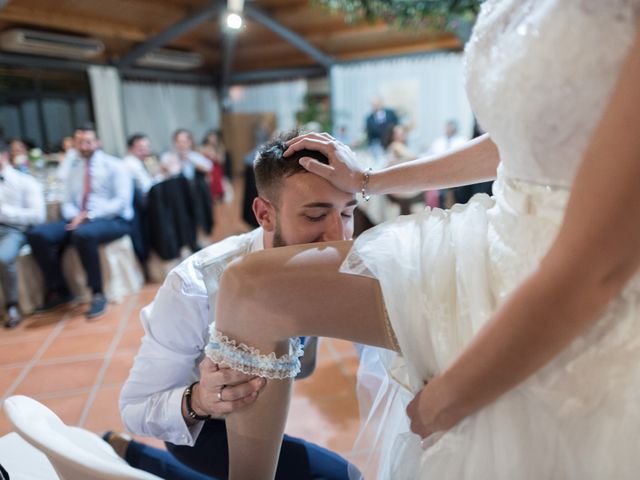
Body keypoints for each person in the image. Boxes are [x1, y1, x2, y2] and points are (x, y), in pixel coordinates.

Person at [199, 2, 640, 479]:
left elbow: (596, 268)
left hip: (576, 257)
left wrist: (445, 403)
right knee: (249, 289)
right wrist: (369, 179)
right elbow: (517, 138)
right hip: (493, 229)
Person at [119, 130, 359, 480]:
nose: (338, 239)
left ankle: (132, 453)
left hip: (266, 405)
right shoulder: (195, 285)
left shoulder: (334, 259)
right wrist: (200, 400)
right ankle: (138, 453)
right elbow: (134, 408)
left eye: (348, 213)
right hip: (201, 426)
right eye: (314, 216)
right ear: (265, 214)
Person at [27, 124, 133, 320]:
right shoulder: (73, 167)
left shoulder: (115, 165)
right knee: (37, 234)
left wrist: (88, 215)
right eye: (79, 142)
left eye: (88, 141)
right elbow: (66, 199)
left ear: (97, 142)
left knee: (83, 234)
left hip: (112, 219)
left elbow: (121, 202)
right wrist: (75, 216)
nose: (83, 146)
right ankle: (59, 290)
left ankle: (97, 293)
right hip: (78, 219)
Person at [0, 141, 46, 328]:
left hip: (14, 230)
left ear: (3, 156)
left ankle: (12, 306)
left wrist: (5, 213)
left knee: (3, 258)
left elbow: (38, 216)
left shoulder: (24, 180)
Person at [199, 130, 226, 202]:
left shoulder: (220, 147)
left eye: (214, 137)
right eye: (211, 137)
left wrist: (214, 156)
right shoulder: (203, 147)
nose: (212, 139)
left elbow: (221, 160)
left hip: (216, 168)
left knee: (217, 184)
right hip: (207, 169)